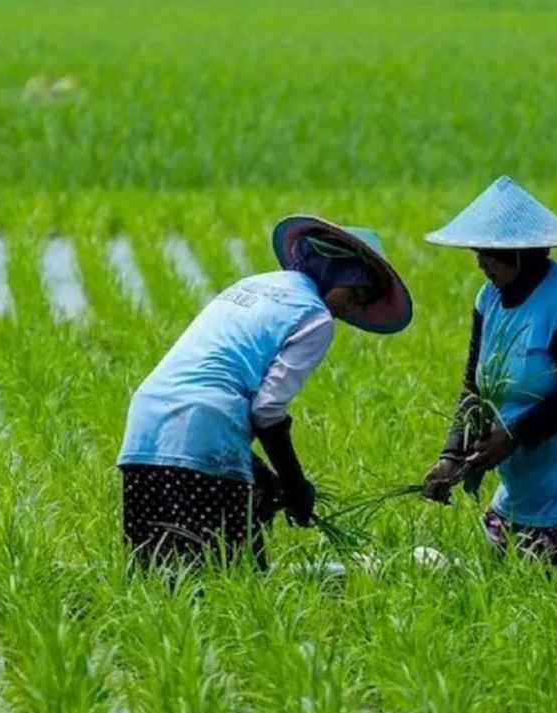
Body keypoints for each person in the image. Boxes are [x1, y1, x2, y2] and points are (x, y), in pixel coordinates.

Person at [117, 216, 413, 572]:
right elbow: (267, 409)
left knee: (157, 572)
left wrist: (265, 478)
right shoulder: (315, 317)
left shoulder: (253, 286)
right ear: (334, 273)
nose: (350, 309)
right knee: (234, 580)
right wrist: (295, 484)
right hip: (203, 426)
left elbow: (216, 379)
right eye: (353, 294)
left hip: (145, 427)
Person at [421, 175, 557, 574]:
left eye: (489, 253)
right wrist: (452, 455)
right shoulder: (489, 299)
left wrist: (516, 435)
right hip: (524, 486)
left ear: (522, 253)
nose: (480, 262)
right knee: (501, 599)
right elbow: (475, 386)